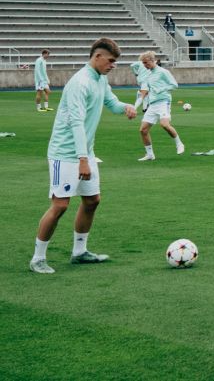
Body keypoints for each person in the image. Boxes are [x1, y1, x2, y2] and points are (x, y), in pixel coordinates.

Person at [29, 37, 137, 274]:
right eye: (110, 61)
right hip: (65, 154)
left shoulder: (100, 79)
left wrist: (125, 107)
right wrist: (82, 160)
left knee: (92, 201)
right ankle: (38, 258)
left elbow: (111, 102)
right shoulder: (80, 83)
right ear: (97, 57)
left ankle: (79, 252)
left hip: (85, 152)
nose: (113, 66)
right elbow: (76, 123)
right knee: (60, 205)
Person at [134, 52, 184, 161]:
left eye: (146, 63)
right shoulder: (148, 75)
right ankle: (150, 154)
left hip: (163, 102)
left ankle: (179, 144)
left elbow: (175, 85)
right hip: (153, 104)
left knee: (164, 124)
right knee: (143, 130)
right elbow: (143, 93)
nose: (145, 65)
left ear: (152, 61)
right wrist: (135, 107)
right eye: (143, 63)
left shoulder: (163, 72)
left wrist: (161, 89)